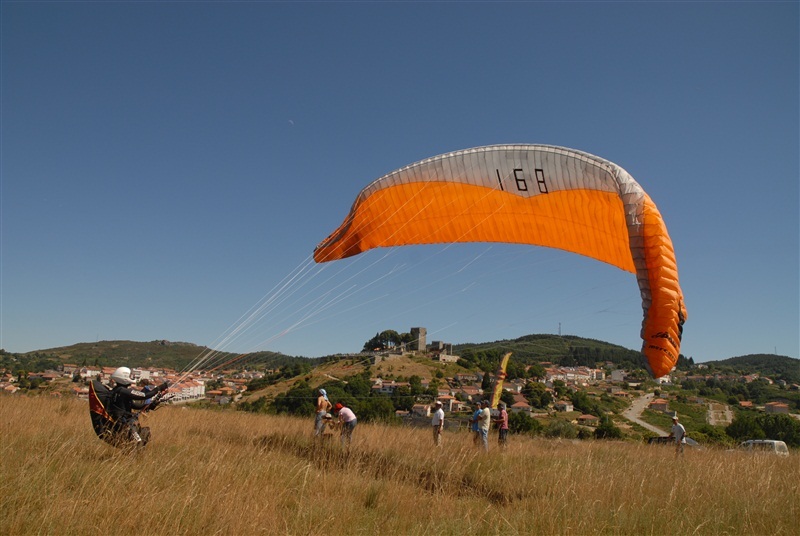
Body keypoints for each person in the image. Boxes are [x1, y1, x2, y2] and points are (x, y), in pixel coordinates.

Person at [109, 367, 169, 445]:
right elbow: (144, 395)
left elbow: (136, 406)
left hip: (124, 421)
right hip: (123, 423)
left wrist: (150, 405)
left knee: (140, 438)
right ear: (124, 378)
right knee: (138, 442)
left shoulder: (118, 390)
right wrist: (159, 388)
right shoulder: (123, 391)